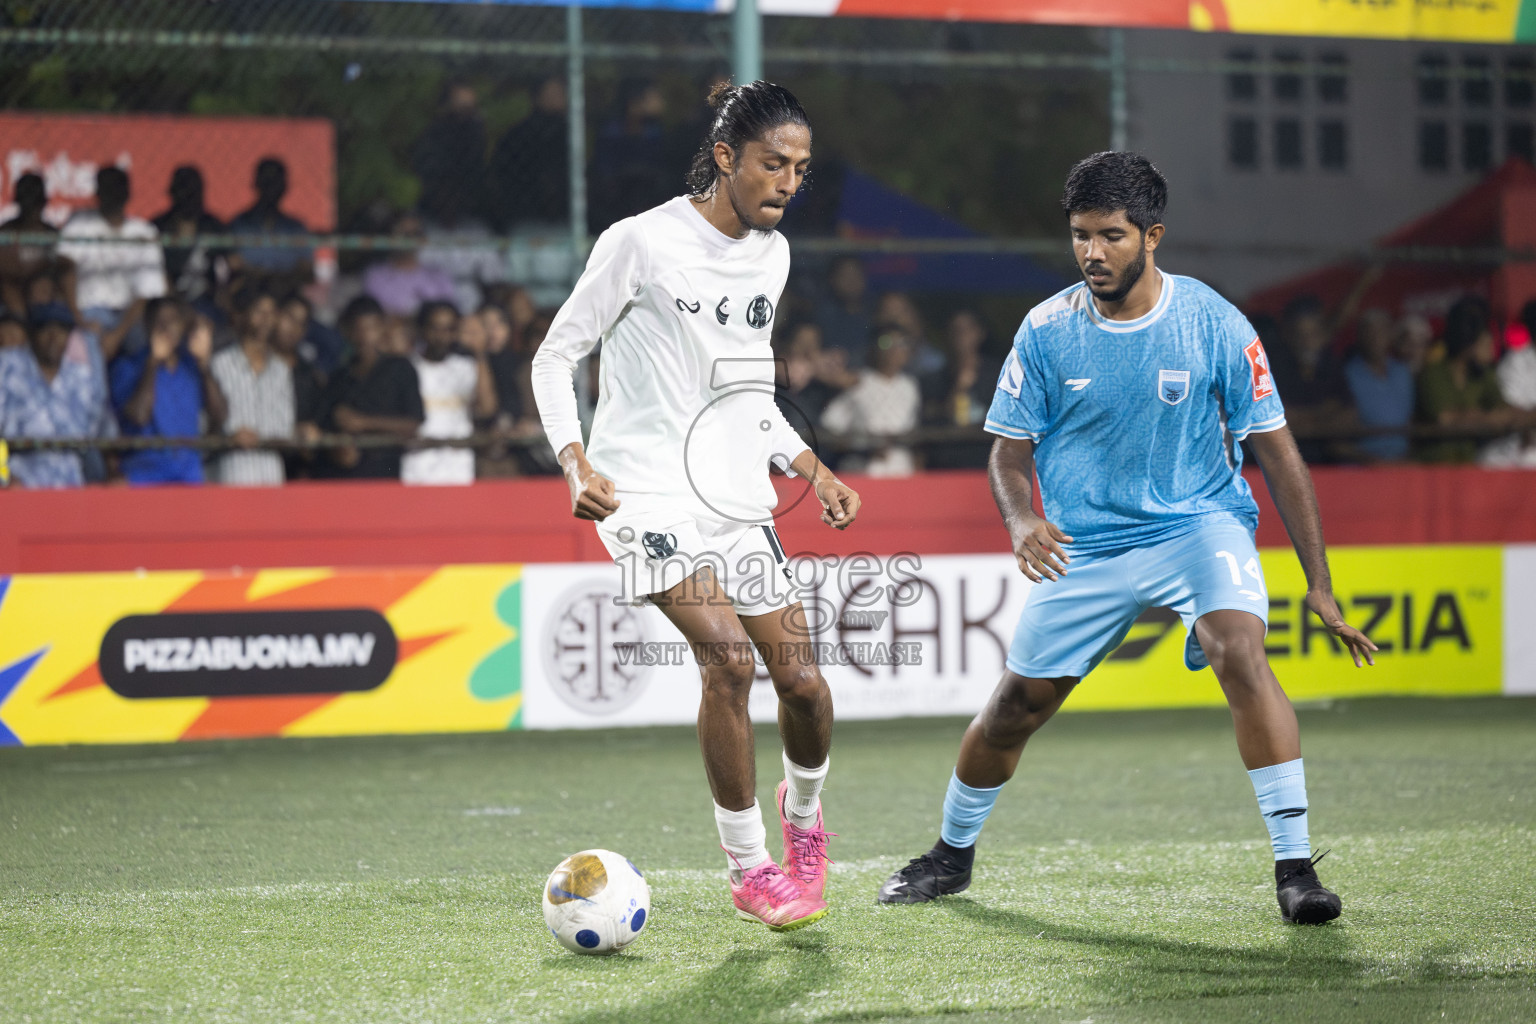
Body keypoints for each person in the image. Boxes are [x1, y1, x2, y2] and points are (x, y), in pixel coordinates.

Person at [877, 152, 1377, 927]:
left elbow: (1277, 450)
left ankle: (1296, 869)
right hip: (1088, 546)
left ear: (1153, 235)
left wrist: (1319, 582)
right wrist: (1020, 519)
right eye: (1080, 236)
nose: (1092, 253)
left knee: (1238, 649)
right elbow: (1009, 453)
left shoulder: (1214, 321)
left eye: (1111, 236)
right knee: (1013, 708)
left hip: (1198, 524)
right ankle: (951, 854)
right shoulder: (1046, 330)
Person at [531, 81, 857, 931]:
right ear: (725, 158)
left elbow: (747, 390)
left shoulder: (772, 256)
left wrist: (810, 467)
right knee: (730, 664)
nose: (788, 182)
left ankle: (804, 817)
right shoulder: (639, 242)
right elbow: (554, 356)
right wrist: (574, 461)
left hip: (733, 494)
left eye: (801, 168)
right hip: (641, 492)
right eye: (772, 164)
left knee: (807, 687)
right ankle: (750, 871)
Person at [58, 166, 167, 365]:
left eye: (118, 190)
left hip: (129, 315)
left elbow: (145, 293)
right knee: (87, 345)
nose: (113, 196)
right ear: (98, 193)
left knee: (146, 343)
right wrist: (78, 318)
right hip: (88, 312)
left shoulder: (144, 233)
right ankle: (96, 395)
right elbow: (66, 270)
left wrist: (117, 335)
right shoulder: (80, 223)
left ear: (127, 194)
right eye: (108, 190)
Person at [110, 297, 225, 485]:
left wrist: (204, 366)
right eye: (159, 322)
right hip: (144, 474)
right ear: (147, 326)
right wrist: (153, 363)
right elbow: (139, 416)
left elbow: (220, 414)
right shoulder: (127, 367)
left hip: (188, 474)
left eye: (173, 321)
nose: (166, 328)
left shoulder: (191, 367)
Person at [0, 303, 115, 488]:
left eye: (61, 329)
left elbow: (96, 434)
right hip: (19, 484)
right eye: (45, 329)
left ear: (70, 335)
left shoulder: (81, 377)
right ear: (32, 334)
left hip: (70, 486)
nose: (53, 337)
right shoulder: (7, 367)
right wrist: (4, 478)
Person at [319, 295, 424, 479]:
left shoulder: (400, 368)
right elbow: (327, 425)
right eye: (358, 329)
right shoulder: (339, 377)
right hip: (344, 478)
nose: (364, 336)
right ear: (347, 331)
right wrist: (338, 448)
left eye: (371, 328)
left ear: (382, 328)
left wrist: (363, 423)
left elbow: (412, 424)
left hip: (386, 475)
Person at [400, 300, 495, 485]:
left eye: (449, 329)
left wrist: (479, 353)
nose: (441, 336)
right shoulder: (408, 367)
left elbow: (487, 409)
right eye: (434, 328)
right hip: (416, 465)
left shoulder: (466, 366)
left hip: (457, 465)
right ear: (422, 330)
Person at [209, 287, 293, 486]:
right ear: (242, 315)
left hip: (271, 476)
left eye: (272, 313)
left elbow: (285, 431)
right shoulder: (219, 364)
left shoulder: (281, 370)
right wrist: (230, 438)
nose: (266, 319)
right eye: (259, 312)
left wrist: (264, 439)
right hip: (231, 474)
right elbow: (205, 426)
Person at [1415, 295, 1514, 464]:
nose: (1491, 342)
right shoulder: (1432, 374)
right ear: (1468, 342)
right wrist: (1488, 418)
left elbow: (1505, 411)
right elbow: (1446, 420)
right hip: (1433, 470)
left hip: (1469, 468)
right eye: (1484, 337)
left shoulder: (1482, 374)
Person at [821, 329, 921, 476]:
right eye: (887, 343)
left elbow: (912, 432)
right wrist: (864, 445)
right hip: (863, 466)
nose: (894, 350)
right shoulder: (859, 381)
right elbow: (831, 423)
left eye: (901, 344)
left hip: (900, 467)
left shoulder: (910, 386)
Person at [1266, 295, 1351, 463]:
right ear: (1288, 335)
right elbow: (1276, 419)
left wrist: (1305, 422)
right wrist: (1324, 414)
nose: (1308, 342)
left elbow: (1349, 415)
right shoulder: (1274, 367)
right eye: (1301, 335)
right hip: (1286, 463)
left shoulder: (1331, 364)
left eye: (1314, 334)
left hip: (1332, 462)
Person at [587, 79, 674, 232]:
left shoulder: (655, 132)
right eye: (653, 98)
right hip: (615, 205)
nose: (661, 102)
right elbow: (605, 175)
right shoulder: (611, 133)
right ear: (635, 103)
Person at [924, 309, 1005, 469]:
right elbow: (934, 419)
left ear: (980, 334)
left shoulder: (999, 375)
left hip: (987, 461)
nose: (961, 336)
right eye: (955, 331)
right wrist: (959, 389)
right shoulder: (934, 380)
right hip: (947, 464)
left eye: (967, 330)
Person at [489, 75, 570, 230]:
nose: (558, 99)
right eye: (552, 94)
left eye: (561, 93)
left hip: (561, 220)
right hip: (524, 217)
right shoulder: (519, 135)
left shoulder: (569, 133)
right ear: (537, 97)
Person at [0, 173, 77, 321]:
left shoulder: (51, 234)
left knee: (45, 287)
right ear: (19, 203)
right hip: (11, 293)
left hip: (44, 292)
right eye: (26, 204)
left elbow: (66, 265)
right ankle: (25, 327)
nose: (31, 210)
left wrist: (43, 276)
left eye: (34, 204)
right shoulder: (6, 232)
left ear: (42, 204)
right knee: (9, 289)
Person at [228, 158, 312, 291]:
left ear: (284, 187)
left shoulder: (296, 228)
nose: (271, 189)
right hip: (249, 292)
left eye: (275, 183)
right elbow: (233, 264)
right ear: (256, 184)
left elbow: (307, 270)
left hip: (285, 293)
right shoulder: (239, 225)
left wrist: (278, 281)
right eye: (266, 183)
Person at [1342, 309, 1414, 462]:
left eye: (1381, 331)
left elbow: (1410, 422)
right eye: (1370, 332)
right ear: (1360, 337)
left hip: (1403, 463)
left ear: (1390, 335)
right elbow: (1339, 439)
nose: (1375, 338)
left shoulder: (1403, 372)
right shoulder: (1347, 375)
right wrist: (1375, 462)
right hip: (1364, 466)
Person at [412, 81, 487, 228]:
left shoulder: (476, 130)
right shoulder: (434, 133)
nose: (467, 108)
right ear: (448, 103)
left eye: (470, 105)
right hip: (433, 207)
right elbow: (428, 168)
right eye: (461, 102)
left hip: (470, 208)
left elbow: (476, 167)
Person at [151, 165, 225, 310]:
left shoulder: (213, 227)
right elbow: (154, 274)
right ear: (172, 193)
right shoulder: (157, 228)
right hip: (166, 303)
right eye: (183, 192)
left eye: (192, 193)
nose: (188, 198)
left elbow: (232, 264)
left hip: (206, 302)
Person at [273, 293, 329, 480]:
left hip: (296, 472)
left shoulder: (309, 376)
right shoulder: (251, 366)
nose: (293, 328)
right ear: (275, 316)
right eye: (289, 318)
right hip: (256, 464)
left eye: (301, 323)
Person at [363, 212, 459, 319]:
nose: (410, 239)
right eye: (404, 234)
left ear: (423, 238)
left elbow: (448, 314)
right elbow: (377, 317)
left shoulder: (438, 275)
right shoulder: (376, 276)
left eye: (416, 233)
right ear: (390, 237)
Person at [814, 256, 872, 364]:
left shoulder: (875, 312)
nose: (852, 281)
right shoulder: (822, 315)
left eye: (856, 275)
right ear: (832, 280)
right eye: (845, 276)